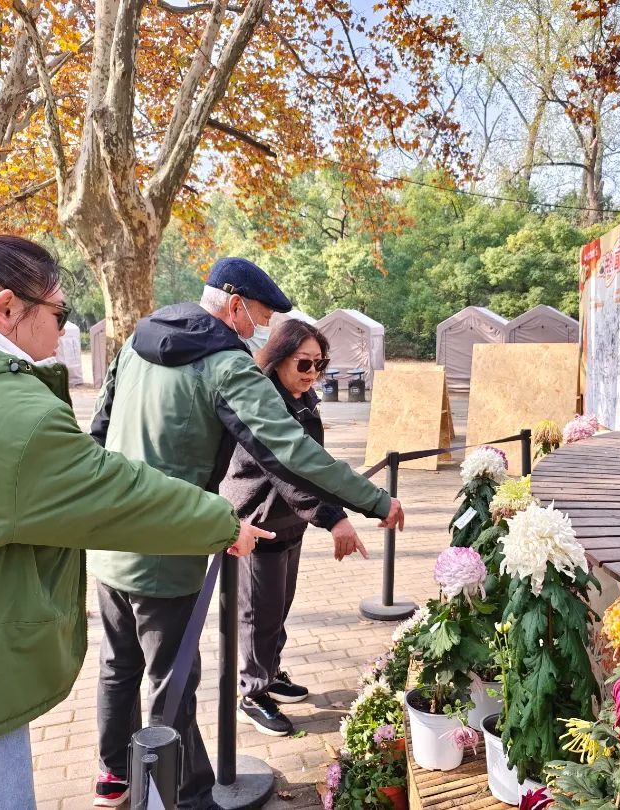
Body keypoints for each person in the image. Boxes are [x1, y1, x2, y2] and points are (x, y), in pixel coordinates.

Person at [0, 206, 270, 810]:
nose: (63, 329)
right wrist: (222, 523)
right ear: (8, 308)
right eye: (59, 313)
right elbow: (115, 493)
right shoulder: (7, 413)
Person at [89, 257, 404, 809]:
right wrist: (374, 499)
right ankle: (187, 798)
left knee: (118, 665)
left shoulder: (136, 341)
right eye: (258, 317)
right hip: (168, 547)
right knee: (172, 684)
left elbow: (98, 428)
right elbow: (291, 450)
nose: (259, 330)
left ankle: (114, 776)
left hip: (112, 537)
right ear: (234, 304)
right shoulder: (224, 363)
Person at [219, 319, 367, 737]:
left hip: (289, 522)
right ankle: (253, 692)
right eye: (304, 364)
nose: (312, 373)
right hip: (257, 523)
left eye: (319, 364)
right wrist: (333, 517)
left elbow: (316, 466)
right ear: (279, 358)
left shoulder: (303, 398)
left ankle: (270, 672)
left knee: (278, 608)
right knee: (257, 615)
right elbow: (288, 471)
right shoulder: (263, 402)